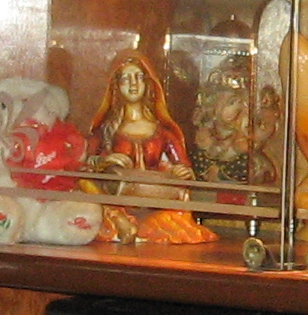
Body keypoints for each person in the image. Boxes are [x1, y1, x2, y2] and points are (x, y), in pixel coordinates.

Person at [83, 49, 213, 244]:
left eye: (138, 77)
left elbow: (185, 169)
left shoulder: (163, 132)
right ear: (116, 86)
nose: (133, 84)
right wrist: (104, 162)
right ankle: (120, 221)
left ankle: (133, 227)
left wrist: (180, 172)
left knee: (171, 220)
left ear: (148, 83)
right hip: (117, 203)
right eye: (126, 79)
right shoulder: (105, 130)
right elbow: (84, 167)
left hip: (154, 202)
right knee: (86, 187)